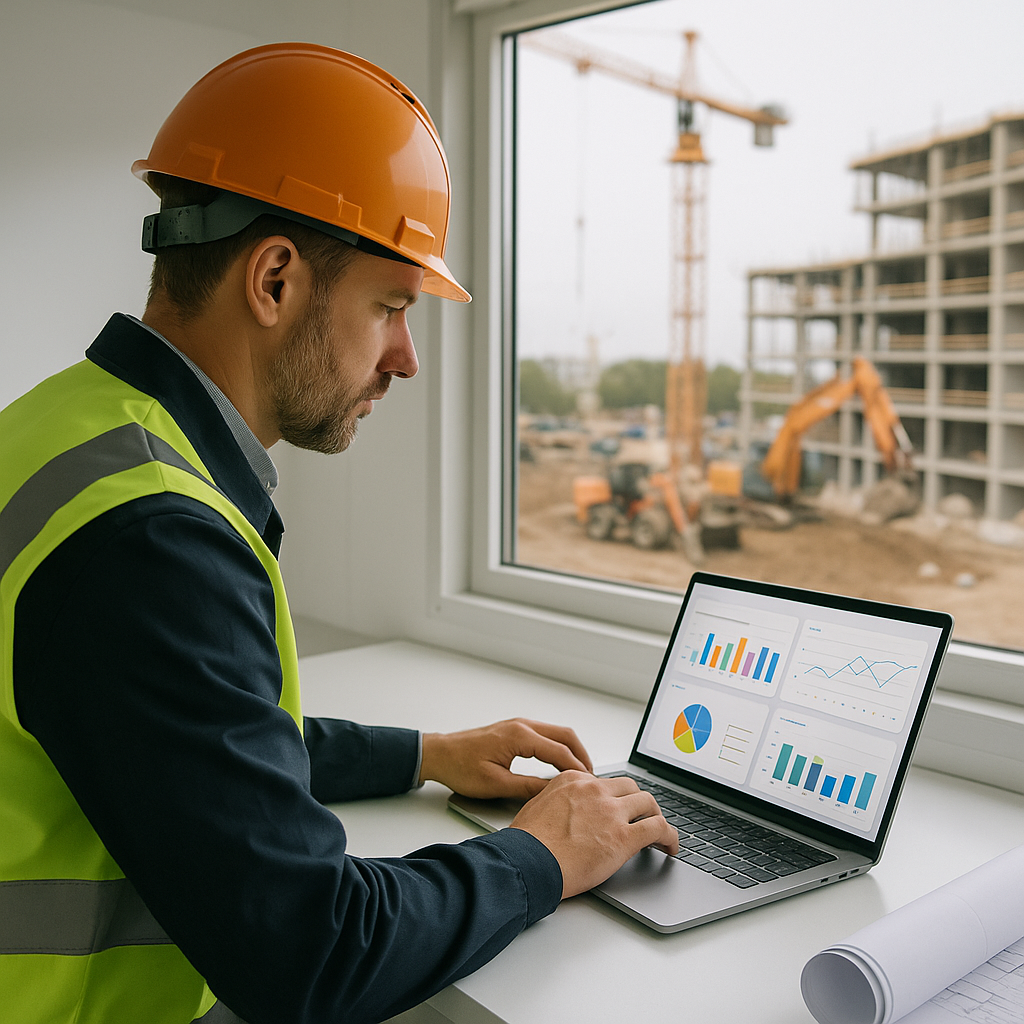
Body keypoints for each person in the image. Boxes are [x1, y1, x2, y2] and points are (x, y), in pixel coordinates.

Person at [0, 43, 677, 1024]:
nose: (404, 358)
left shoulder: (66, 427)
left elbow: (183, 739)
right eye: (391, 305)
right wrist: (544, 851)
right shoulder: (152, 537)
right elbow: (316, 952)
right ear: (274, 279)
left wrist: (423, 754)